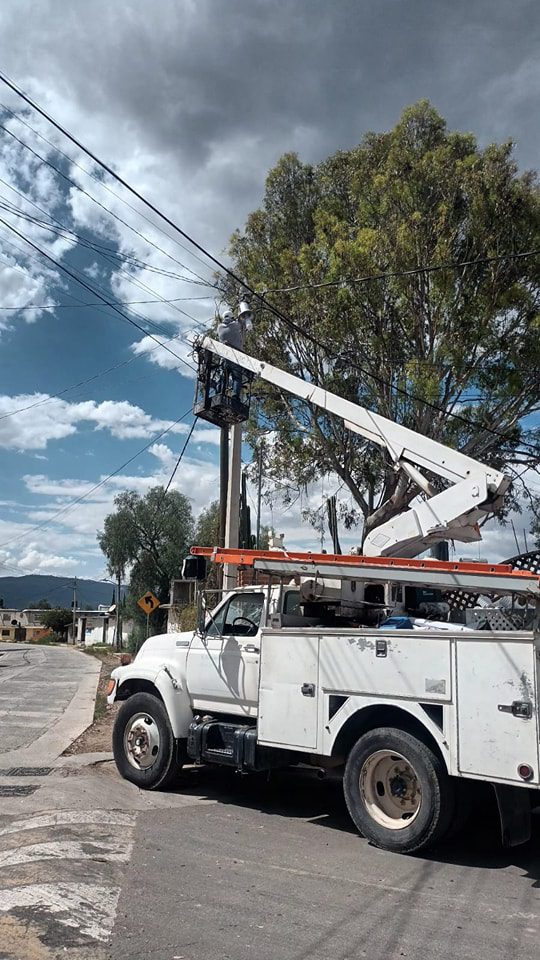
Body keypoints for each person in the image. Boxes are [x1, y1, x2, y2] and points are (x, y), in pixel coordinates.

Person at [217, 308, 244, 398]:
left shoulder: (220, 327)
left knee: (223, 378)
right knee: (236, 378)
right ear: (231, 317)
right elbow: (241, 324)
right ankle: (235, 397)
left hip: (224, 358)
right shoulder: (235, 325)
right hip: (235, 357)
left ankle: (219, 394)